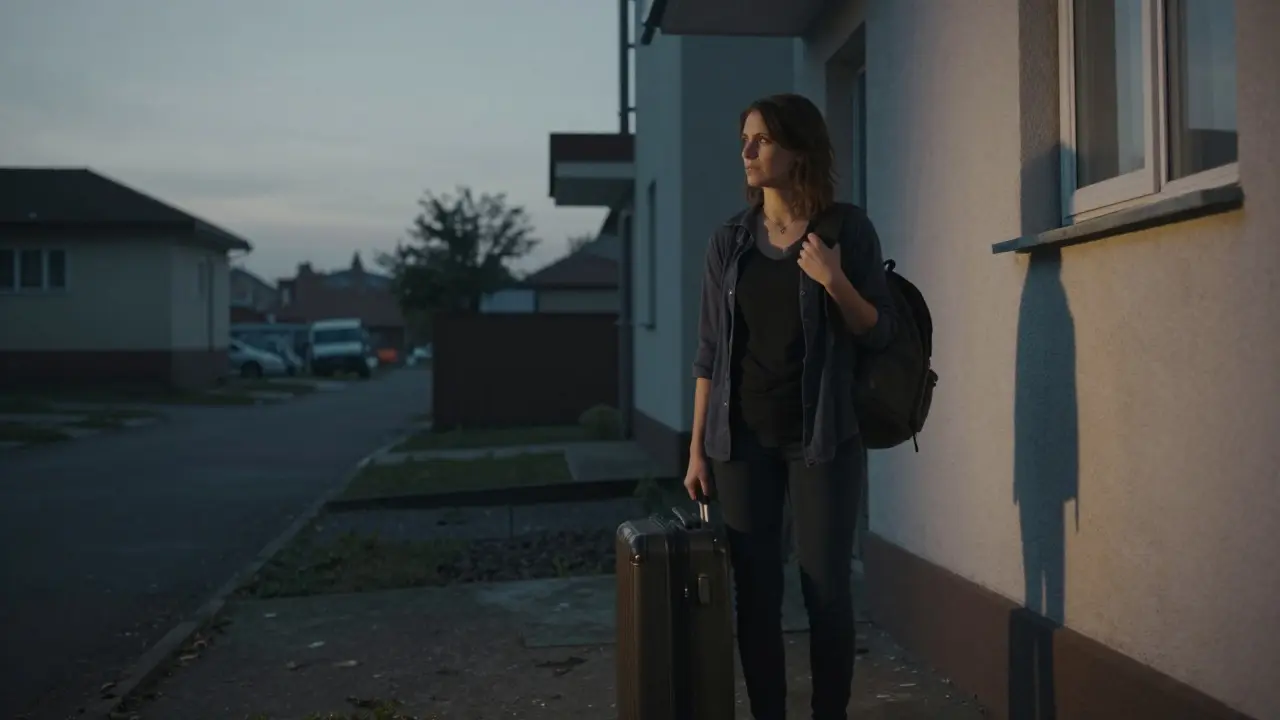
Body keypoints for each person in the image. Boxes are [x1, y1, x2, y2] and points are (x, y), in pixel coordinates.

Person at [685, 93, 898, 720]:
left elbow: (880, 330)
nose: (748, 152)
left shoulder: (847, 230)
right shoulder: (729, 242)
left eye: (763, 141)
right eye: (745, 140)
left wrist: (835, 279)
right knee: (755, 594)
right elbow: (708, 353)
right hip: (741, 441)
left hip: (823, 438)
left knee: (826, 592)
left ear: (799, 149)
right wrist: (697, 447)